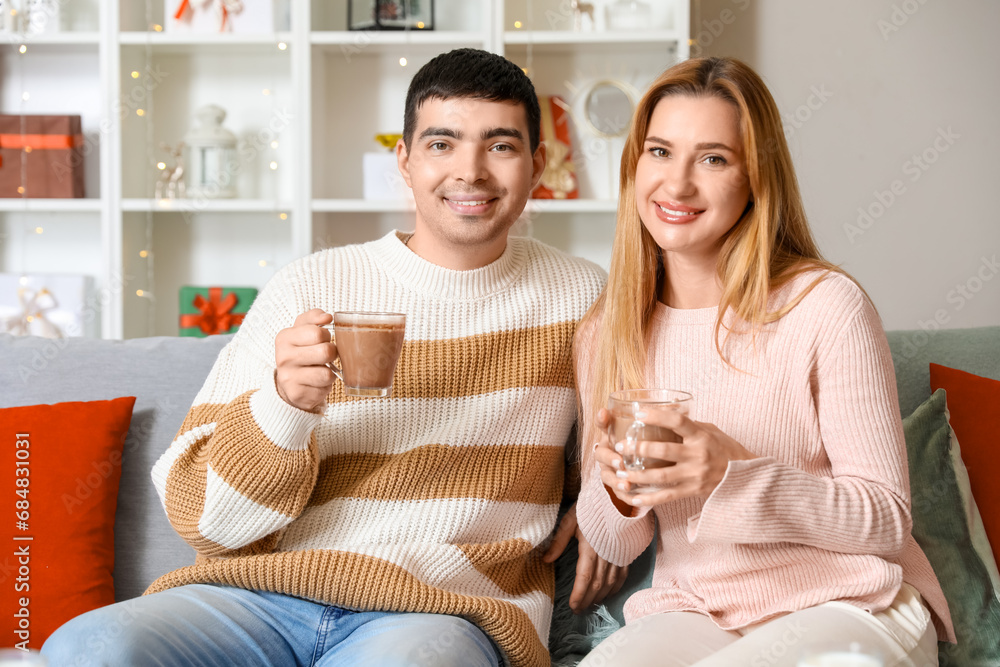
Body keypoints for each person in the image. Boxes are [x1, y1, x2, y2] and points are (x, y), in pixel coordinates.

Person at [43, 48, 626, 667]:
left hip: (442, 610)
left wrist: (601, 510)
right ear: (404, 162)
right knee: (87, 646)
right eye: (441, 144)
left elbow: (624, 437)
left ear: (537, 164)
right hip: (260, 598)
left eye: (500, 146)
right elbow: (205, 521)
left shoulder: (583, 298)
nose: (471, 171)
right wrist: (282, 406)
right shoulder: (311, 286)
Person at [573, 56, 955, 666]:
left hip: (852, 602)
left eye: (713, 158)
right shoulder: (608, 332)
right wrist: (616, 493)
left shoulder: (825, 305)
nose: (676, 186)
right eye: (660, 152)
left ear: (756, 177)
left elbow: (885, 520)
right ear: (634, 166)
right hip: (696, 609)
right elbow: (614, 543)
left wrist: (733, 471)